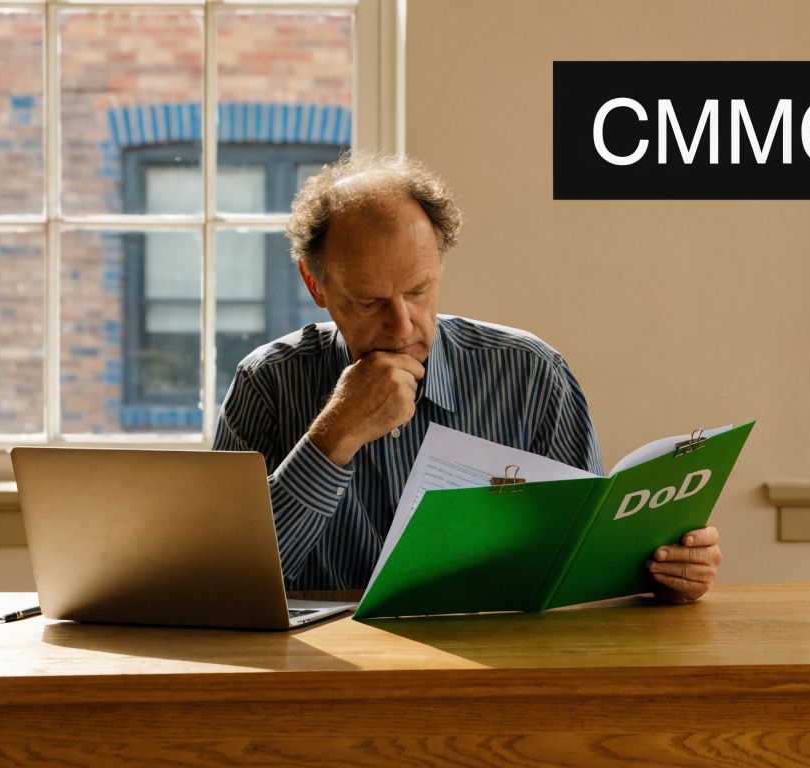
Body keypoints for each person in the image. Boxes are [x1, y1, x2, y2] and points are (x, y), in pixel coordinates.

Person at [213, 153, 721, 604]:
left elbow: (580, 563)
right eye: (369, 303)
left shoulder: (531, 375)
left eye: (418, 291)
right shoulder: (266, 384)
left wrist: (664, 575)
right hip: (323, 669)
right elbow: (223, 584)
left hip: (495, 661)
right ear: (315, 284)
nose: (402, 326)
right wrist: (333, 437)